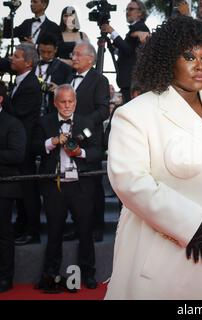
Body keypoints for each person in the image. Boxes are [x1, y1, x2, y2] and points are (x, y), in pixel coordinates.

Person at [105, 16, 202, 300]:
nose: (199, 65)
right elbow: (130, 182)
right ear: (168, 59)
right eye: (189, 56)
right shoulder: (135, 113)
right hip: (170, 250)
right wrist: (188, 223)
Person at [33, 84, 101, 291]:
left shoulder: (86, 122)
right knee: (54, 233)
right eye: (62, 101)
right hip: (55, 187)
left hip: (81, 186)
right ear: (55, 103)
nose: (66, 105)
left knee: (85, 231)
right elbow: (32, 147)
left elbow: (99, 150)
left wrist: (80, 152)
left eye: (70, 101)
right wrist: (52, 141)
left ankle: (89, 274)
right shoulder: (44, 122)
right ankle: (50, 275)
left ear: (76, 102)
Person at [65, 42, 109, 242]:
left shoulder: (99, 80)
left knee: (92, 187)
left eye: (77, 54)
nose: (73, 57)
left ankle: (96, 227)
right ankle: (78, 226)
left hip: (89, 140)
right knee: (73, 186)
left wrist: (80, 126)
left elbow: (103, 110)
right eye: (73, 54)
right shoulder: (68, 78)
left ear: (90, 59)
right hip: (68, 139)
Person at [0, 44, 42, 246]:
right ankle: (21, 225)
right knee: (20, 190)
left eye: (16, 56)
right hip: (18, 143)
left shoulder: (31, 86)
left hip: (23, 146)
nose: (11, 59)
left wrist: (3, 97)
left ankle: (32, 231)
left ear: (28, 63)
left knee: (27, 190)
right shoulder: (22, 81)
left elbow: (17, 114)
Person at [0, 81, 26, 293]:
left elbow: (17, 155)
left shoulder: (13, 123)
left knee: (2, 233)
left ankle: (5, 277)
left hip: (4, 187)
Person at [100, 0, 150, 103]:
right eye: (126, 9)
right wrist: (114, 48)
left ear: (140, 12)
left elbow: (127, 50)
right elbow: (129, 52)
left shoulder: (140, 27)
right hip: (128, 81)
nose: (128, 12)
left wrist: (111, 31)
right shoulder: (135, 29)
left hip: (131, 81)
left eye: (131, 9)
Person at [35, 33, 73, 114]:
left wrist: (59, 90)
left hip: (53, 114)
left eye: (49, 52)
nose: (45, 55)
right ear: (38, 48)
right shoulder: (31, 65)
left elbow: (72, 93)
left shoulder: (66, 69)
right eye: (42, 51)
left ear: (56, 49)